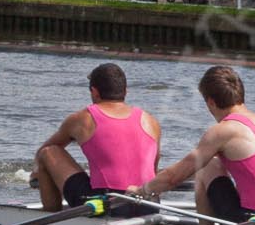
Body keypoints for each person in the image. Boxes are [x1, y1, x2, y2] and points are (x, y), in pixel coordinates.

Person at [133, 66, 255, 222]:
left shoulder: (224, 131)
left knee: (206, 166)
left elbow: (175, 177)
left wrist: (143, 190)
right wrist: (159, 178)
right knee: (210, 163)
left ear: (211, 102)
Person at [32, 62, 161, 213]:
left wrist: (35, 176)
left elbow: (44, 150)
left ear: (94, 92)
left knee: (48, 153)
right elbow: (154, 169)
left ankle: (49, 219)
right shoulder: (150, 121)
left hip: (105, 204)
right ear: (125, 91)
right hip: (150, 206)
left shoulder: (83, 118)